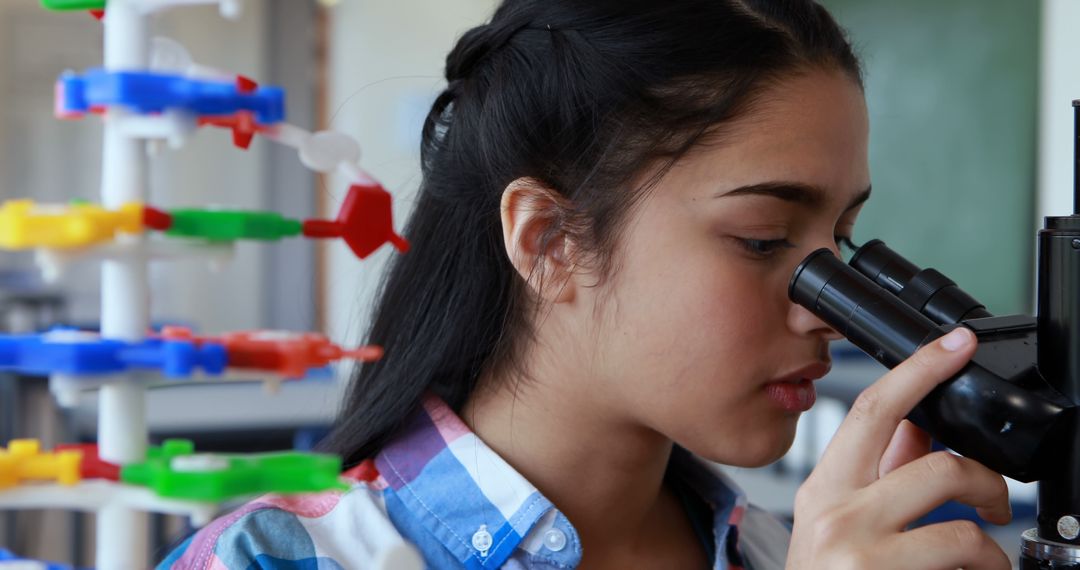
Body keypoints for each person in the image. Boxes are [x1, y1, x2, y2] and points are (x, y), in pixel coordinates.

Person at [159, 0, 1013, 568]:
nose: (831, 314)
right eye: (762, 240)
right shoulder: (275, 559)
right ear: (549, 240)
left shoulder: (769, 549)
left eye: (845, 242)